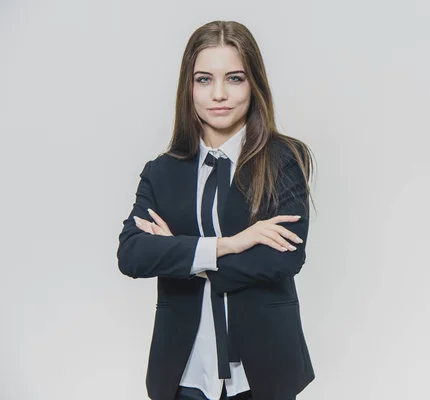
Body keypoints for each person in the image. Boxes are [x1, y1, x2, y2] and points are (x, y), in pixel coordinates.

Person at [116, 20, 315, 400]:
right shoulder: (162, 171)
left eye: (235, 78)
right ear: (188, 87)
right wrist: (230, 244)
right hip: (184, 371)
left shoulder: (284, 159)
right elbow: (132, 255)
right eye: (204, 79)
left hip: (263, 372)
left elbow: (281, 260)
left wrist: (182, 253)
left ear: (253, 84)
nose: (219, 94)